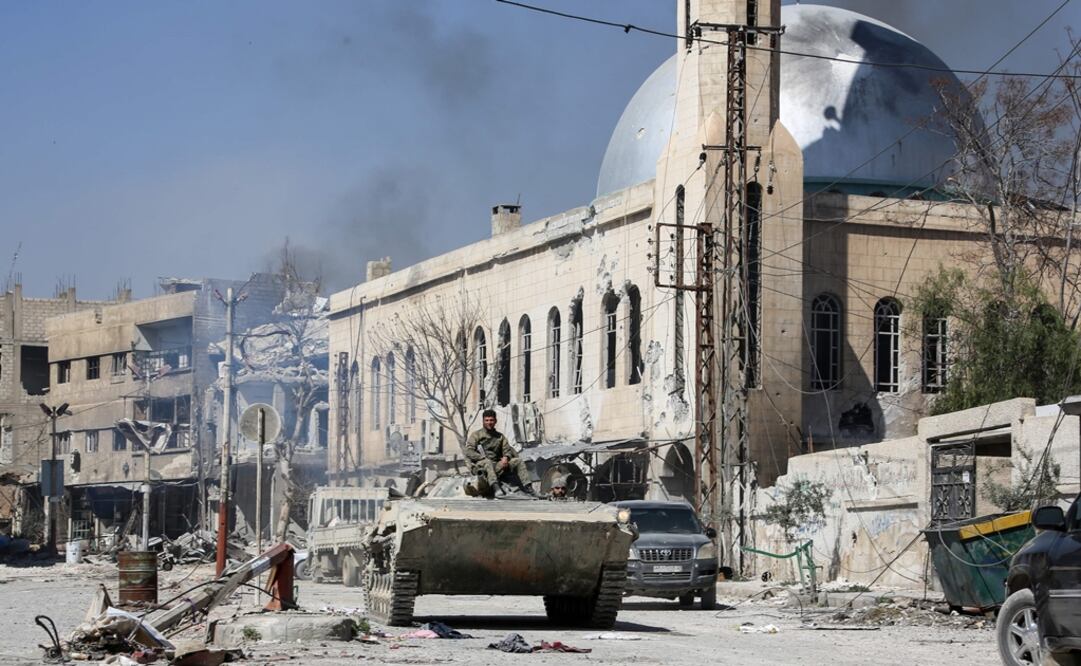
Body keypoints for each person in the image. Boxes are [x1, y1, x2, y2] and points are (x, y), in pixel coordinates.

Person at [464, 409, 535, 496]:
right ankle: (496, 487)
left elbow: (507, 450)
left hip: (496, 466)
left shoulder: (500, 437)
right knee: (487, 462)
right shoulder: (476, 435)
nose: (489, 422)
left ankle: (529, 488)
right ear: (483, 421)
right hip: (481, 466)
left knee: (518, 461)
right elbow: (469, 451)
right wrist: (482, 458)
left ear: (495, 421)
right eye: (486, 420)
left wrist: (506, 457)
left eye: (491, 420)